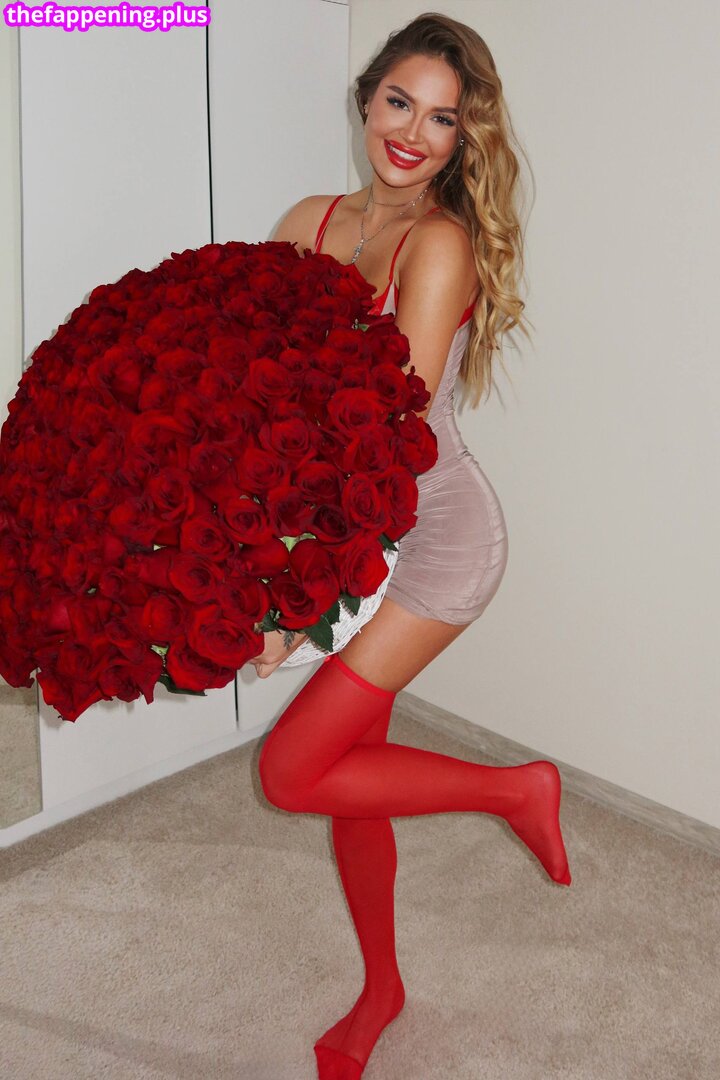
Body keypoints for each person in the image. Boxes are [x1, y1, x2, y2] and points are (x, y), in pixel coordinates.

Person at [252, 13, 571, 1079]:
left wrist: (293, 600)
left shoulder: (438, 244)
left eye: (443, 119)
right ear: (367, 100)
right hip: (340, 524)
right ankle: (382, 988)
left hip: (429, 537)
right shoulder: (307, 221)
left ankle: (515, 790)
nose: (413, 133)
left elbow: (385, 439)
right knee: (351, 773)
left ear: (462, 140)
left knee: (293, 771)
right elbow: (260, 396)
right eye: (401, 102)